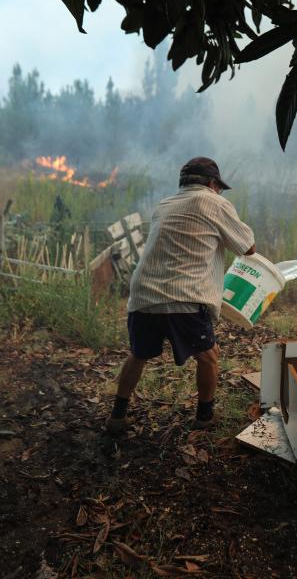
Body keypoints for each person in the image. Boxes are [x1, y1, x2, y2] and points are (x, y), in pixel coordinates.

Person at [106, 157, 255, 435]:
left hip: (143, 295)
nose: (219, 192)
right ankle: (204, 417)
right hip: (182, 295)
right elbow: (248, 248)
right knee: (209, 356)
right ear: (212, 184)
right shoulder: (214, 202)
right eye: (218, 187)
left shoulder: (165, 204)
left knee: (138, 354)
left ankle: (117, 416)